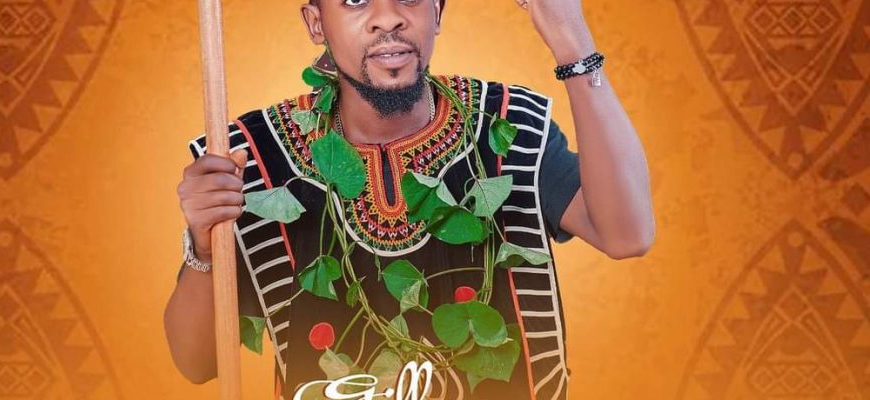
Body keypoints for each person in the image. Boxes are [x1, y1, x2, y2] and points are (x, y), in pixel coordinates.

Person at [164, 0, 654, 399]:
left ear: (437, 12)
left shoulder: (508, 125)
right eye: (355, 0)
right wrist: (204, 247)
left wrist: (573, 43)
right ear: (316, 23)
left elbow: (628, 234)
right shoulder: (252, 159)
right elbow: (196, 362)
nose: (388, 17)